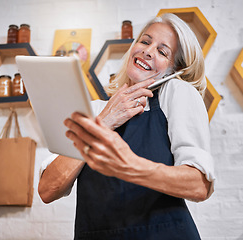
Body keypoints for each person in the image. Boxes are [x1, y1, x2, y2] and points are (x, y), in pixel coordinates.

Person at [38, 13, 215, 240]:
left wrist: (131, 166)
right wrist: (103, 122)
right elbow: (48, 189)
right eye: (145, 41)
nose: (148, 51)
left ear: (174, 70)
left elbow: (199, 185)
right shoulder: (92, 111)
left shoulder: (176, 93)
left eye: (162, 52)